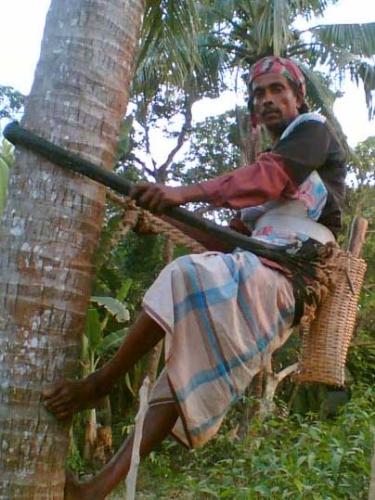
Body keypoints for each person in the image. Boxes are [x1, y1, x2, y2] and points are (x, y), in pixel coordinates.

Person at [43, 56, 346, 499]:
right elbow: (225, 242)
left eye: (277, 90)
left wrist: (181, 193)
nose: (266, 100)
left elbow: (267, 179)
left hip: (287, 280)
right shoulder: (264, 187)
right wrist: (164, 213)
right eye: (258, 95)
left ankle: (101, 383)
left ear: (299, 96)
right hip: (258, 271)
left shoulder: (312, 133)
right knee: (180, 381)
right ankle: (93, 492)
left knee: (185, 273)